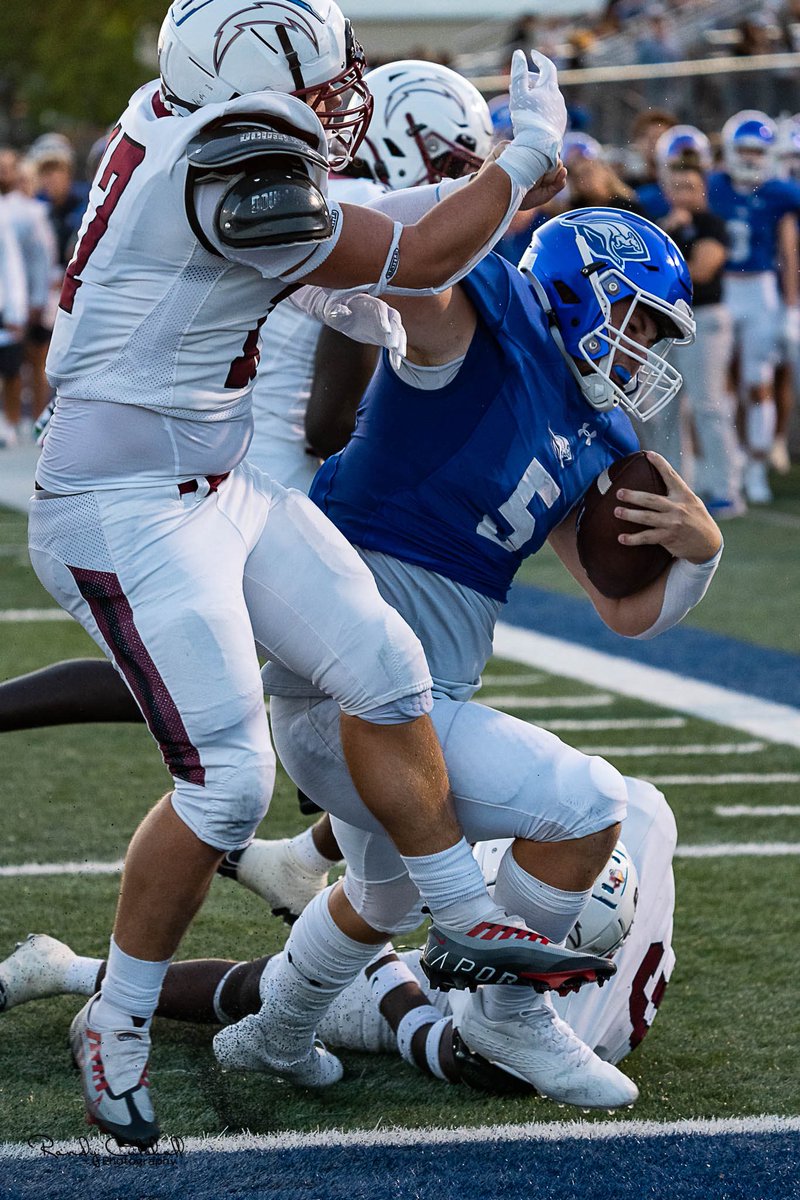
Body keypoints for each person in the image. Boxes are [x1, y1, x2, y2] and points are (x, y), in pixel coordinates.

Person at [26, 0, 572, 1148]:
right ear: (253, 78)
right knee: (227, 785)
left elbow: (374, 218)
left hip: (216, 482)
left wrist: (499, 187)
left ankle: (466, 919)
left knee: (383, 664)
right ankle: (115, 1018)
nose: (348, 90)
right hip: (123, 510)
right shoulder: (233, 168)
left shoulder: (191, 121)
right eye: (327, 71)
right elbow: (412, 255)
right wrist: (518, 159)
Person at [209, 208, 718, 1110]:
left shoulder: (598, 433)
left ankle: (275, 1030)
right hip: (351, 689)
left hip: (415, 697)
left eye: (654, 330)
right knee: (586, 802)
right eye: (634, 315)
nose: (641, 344)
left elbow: (626, 611)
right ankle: (505, 1011)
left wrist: (702, 549)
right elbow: (410, 266)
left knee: (384, 896)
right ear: (574, 286)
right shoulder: (485, 321)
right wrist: (498, 182)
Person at [0, 774, 676, 1095]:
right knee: (430, 784)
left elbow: (435, 1042)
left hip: (456, 1018)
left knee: (272, 984)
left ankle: (60, 969)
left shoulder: (552, 1031)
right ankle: (298, 860)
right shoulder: (633, 815)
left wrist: (375, 957)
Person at [708, 110, 800, 503]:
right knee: (721, 384)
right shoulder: (714, 186)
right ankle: (734, 462)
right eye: (742, 149)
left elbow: (788, 244)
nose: (748, 158)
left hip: (762, 290)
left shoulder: (779, 191)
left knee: (757, 381)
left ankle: (758, 468)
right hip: (725, 290)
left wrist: (790, 301)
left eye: (756, 151)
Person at [642, 162, 741, 516]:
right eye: (677, 186)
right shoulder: (660, 229)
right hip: (669, 323)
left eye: (690, 186)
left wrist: (679, 239)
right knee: (663, 409)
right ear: (666, 192)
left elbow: (699, 271)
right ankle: (676, 488)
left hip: (704, 319)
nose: (684, 193)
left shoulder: (710, 225)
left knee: (708, 405)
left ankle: (726, 489)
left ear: (702, 191)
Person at [0, 148, 57, 441]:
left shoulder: (30, 211)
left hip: (17, 298)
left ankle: (32, 419)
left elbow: (36, 260)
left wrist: (32, 300)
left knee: (30, 361)